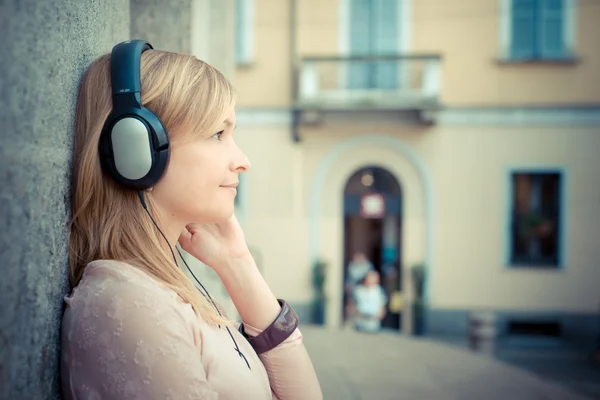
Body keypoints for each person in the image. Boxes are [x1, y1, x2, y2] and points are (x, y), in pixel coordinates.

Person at [61, 40, 322, 400]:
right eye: (218, 133)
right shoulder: (127, 306)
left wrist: (238, 265)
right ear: (136, 150)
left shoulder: (163, 289)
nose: (243, 160)